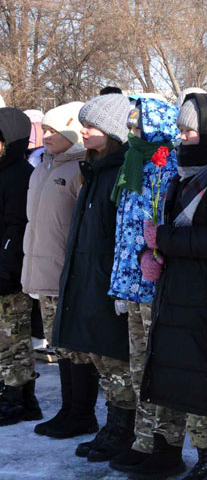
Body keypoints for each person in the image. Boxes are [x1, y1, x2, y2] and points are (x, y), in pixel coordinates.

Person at [138, 92, 207, 480]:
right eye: (181, 131)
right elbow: (170, 232)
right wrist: (149, 251)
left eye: (191, 131)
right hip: (180, 295)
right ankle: (205, 461)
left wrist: (164, 239)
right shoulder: (184, 179)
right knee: (191, 389)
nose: (183, 139)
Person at [106, 97, 187, 480]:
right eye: (132, 123)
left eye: (140, 123)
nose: (133, 130)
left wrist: (154, 254)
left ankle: (166, 443)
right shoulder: (133, 161)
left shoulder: (167, 164)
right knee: (139, 369)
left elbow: (163, 219)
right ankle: (142, 441)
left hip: (155, 284)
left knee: (160, 368)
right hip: (132, 284)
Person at [52, 93, 136, 460]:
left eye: (92, 127)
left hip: (106, 280)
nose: (83, 133)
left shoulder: (121, 172)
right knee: (100, 360)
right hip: (87, 276)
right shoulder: (94, 171)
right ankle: (112, 427)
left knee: (116, 362)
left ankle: (123, 429)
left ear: (113, 132)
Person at [20, 102, 95, 436]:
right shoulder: (42, 167)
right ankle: (68, 409)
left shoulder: (79, 169)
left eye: (52, 130)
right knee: (60, 346)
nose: (46, 136)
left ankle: (81, 412)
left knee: (77, 349)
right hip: (44, 275)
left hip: (68, 275)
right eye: (44, 130)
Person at [0, 107, 39, 426]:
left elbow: (17, 226)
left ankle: (19, 399)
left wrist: (5, 268)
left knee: (13, 339)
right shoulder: (5, 171)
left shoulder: (18, 175)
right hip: (5, 268)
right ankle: (17, 396)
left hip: (10, 274)